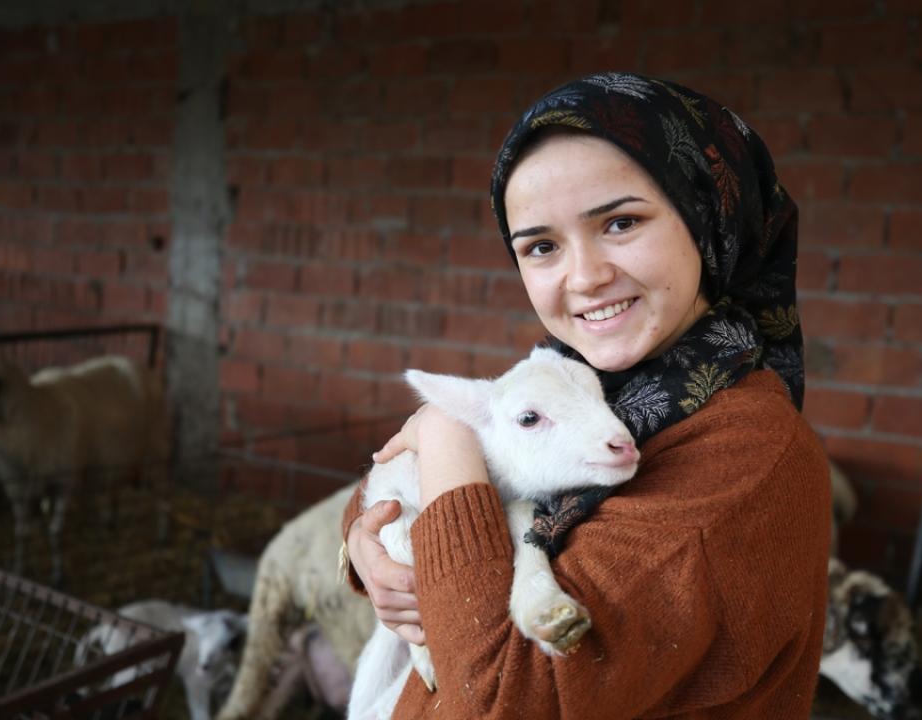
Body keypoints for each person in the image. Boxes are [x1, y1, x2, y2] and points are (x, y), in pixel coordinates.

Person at [341, 71, 831, 719]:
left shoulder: (734, 459)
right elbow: (428, 483)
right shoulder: (589, 377)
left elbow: (498, 703)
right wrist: (368, 552)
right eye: (541, 246)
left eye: (621, 223)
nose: (586, 277)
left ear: (707, 213)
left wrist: (442, 434)